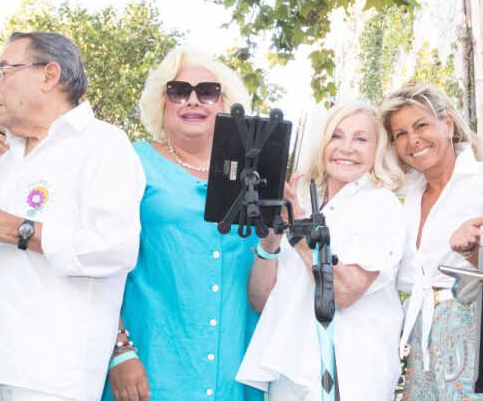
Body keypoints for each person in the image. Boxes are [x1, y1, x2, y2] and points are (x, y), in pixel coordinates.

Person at [0, 31, 145, 401]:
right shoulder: (1, 161)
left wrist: (16, 229)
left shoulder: (104, 145)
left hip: (48, 375)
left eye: (3, 72)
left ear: (49, 75)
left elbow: (116, 248)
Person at [102, 47, 264, 401]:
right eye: (178, 91)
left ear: (226, 105)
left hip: (235, 371)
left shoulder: (253, 175)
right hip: (152, 367)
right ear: (161, 103)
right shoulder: (133, 161)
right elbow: (99, 260)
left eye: (208, 91)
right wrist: (119, 350)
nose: (193, 100)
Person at [237, 100, 411, 400]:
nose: (346, 148)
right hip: (290, 369)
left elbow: (343, 293)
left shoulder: (380, 204)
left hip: (346, 374)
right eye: (336, 136)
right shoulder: (310, 205)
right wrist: (272, 240)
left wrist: (299, 231)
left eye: (361, 139)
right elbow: (261, 301)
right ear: (322, 145)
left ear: (377, 150)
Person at [380, 83, 483, 400]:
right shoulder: (403, 196)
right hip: (416, 334)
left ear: (448, 124)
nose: (413, 141)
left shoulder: (479, 183)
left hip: (470, 329)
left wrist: (473, 254)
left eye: (421, 125)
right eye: (400, 134)